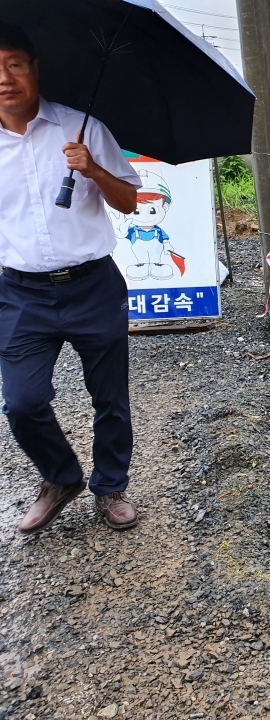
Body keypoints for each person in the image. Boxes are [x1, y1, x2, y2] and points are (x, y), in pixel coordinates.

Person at [0, 22, 142, 533]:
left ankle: (111, 487)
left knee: (110, 396)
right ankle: (60, 478)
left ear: (35, 69)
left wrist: (93, 171)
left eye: (14, 63)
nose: (4, 77)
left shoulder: (81, 128)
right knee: (22, 402)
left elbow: (129, 200)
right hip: (20, 293)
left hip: (92, 285)